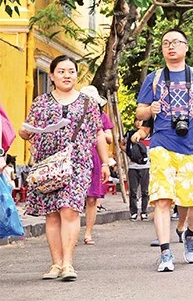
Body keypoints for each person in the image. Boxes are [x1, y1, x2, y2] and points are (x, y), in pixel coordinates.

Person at [136, 28, 193, 272]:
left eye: (175, 42)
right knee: (162, 199)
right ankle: (165, 253)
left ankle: (190, 235)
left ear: (186, 47)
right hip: (162, 143)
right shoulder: (153, 78)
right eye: (165, 43)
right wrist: (150, 109)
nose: (170, 47)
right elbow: (140, 113)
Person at [19, 55, 110, 281]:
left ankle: (68, 263)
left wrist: (106, 162)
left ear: (76, 75)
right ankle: (55, 264)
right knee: (52, 215)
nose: (67, 75)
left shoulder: (87, 103)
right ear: (52, 76)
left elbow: (98, 133)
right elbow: (26, 129)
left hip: (77, 163)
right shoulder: (41, 102)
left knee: (69, 209)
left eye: (71, 71)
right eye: (61, 71)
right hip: (48, 164)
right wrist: (26, 133)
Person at [78, 85, 114, 246]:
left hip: (96, 158)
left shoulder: (102, 116)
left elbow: (110, 138)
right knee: (74, 197)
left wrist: (102, 134)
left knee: (92, 198)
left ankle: (88, 233)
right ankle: (71, 232)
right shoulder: (74, 114)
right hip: (77, 157)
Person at [124, 118, 152, 221]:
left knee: (145, 191)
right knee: (133, 191)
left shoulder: (151, 135)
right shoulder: (131, 134)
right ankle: (133, 212)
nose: (139, 123)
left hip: (146, 166)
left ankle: (144, 212)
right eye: (137, 121)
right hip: (133, 166)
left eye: (142, 121)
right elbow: (122, 144)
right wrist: (130, 153)